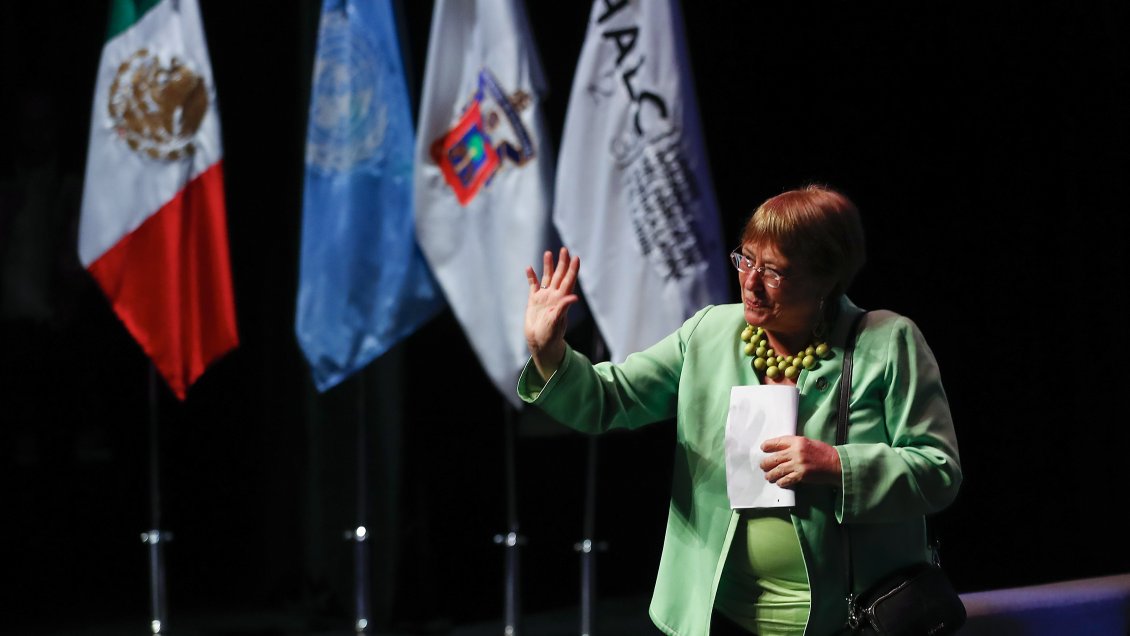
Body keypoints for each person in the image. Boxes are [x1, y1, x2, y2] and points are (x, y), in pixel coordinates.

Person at [519, 184, 962, 635]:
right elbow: (610, 399)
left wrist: (835, 464)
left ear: (826, 278)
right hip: (721, 616)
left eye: (774, 271)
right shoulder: (710, 332)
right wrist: (549, 352)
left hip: (848, 618)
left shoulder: (888, 342)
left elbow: (938, 471)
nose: (750, 282)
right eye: (745, 259)